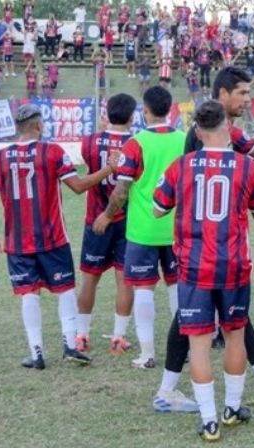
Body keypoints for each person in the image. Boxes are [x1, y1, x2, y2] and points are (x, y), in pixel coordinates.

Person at [153, 100, 254, 442]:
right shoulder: (246, 167)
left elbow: (159, 208)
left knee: (199, 344)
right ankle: (232, 409)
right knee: (235, 335)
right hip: (233, 264)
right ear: (228, 129)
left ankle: (208, 422)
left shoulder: (182, 165)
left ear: (198, 131)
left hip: (193, 266)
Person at [0, 104, 116, 369]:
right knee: (64, 289)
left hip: (17, 242)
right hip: (52, 238)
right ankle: (69, 346)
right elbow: (78, 186)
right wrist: (109, 169)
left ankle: (37, 353)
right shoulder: (52, 152)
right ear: (39, 126)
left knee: (28, 294)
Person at [93, 87, 186, 370]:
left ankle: (147, 355)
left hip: (143, 230)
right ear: (171, 110)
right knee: (176, 288)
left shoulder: (135, 144)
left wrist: (107, 216)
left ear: (144, 112)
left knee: (144, 289)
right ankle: (184, 349)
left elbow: (121, 191)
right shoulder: (186, 141)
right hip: (175, 230)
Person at [75, 94, 137, 356]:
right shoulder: (137, 144)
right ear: (132, 117)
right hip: (127, 219)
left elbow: (90, 166)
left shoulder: (89, 141)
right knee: (124, 280)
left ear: (107, 114)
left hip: (95, 217)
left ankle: (81, 335)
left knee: (90, 279)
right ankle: (119, 338)